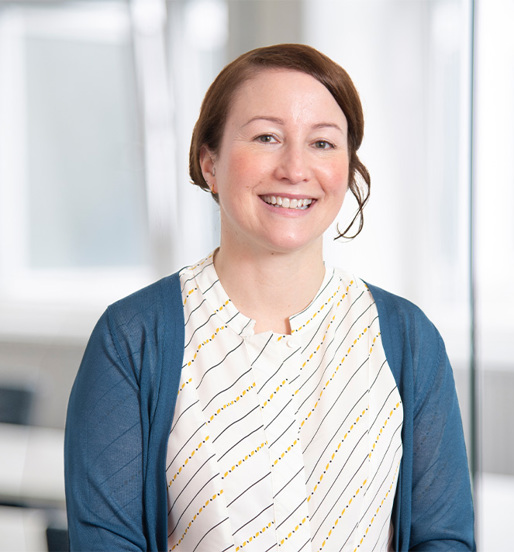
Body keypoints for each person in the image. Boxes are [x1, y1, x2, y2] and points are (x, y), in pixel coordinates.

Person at [64, 44, 475, 551]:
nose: (295, 168)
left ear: (347, 169)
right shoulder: (133, 338)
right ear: (209, 162)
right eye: (266, 137)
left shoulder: (407, 339)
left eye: (323, 144)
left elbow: (444, 538)